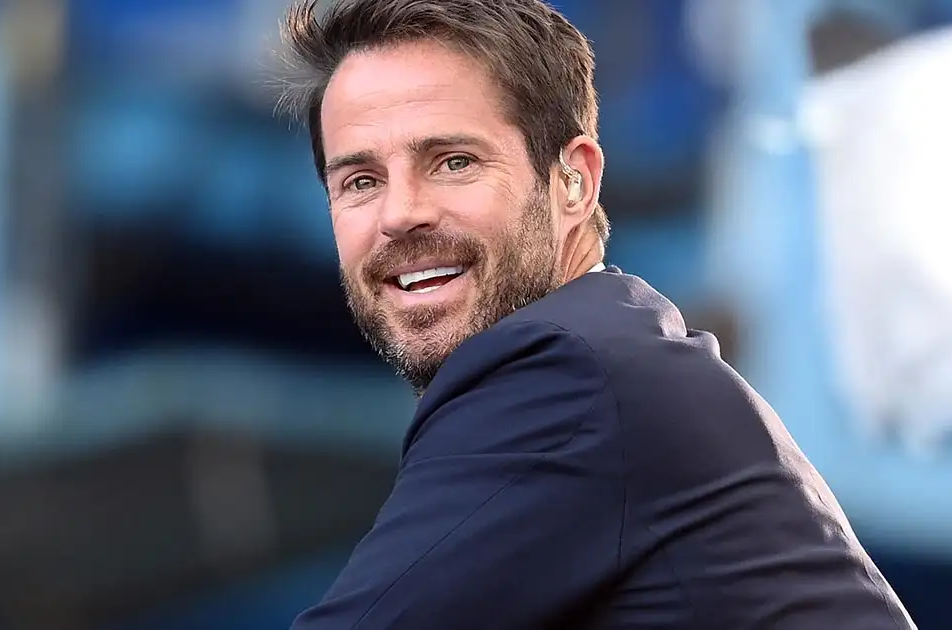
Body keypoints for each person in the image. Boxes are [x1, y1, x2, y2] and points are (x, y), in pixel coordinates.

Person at [274, 0, 915, 628]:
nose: (398, 214)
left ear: (575, 181)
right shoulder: (611, 349)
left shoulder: (562, 372)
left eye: (454, 162)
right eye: (361, 181)